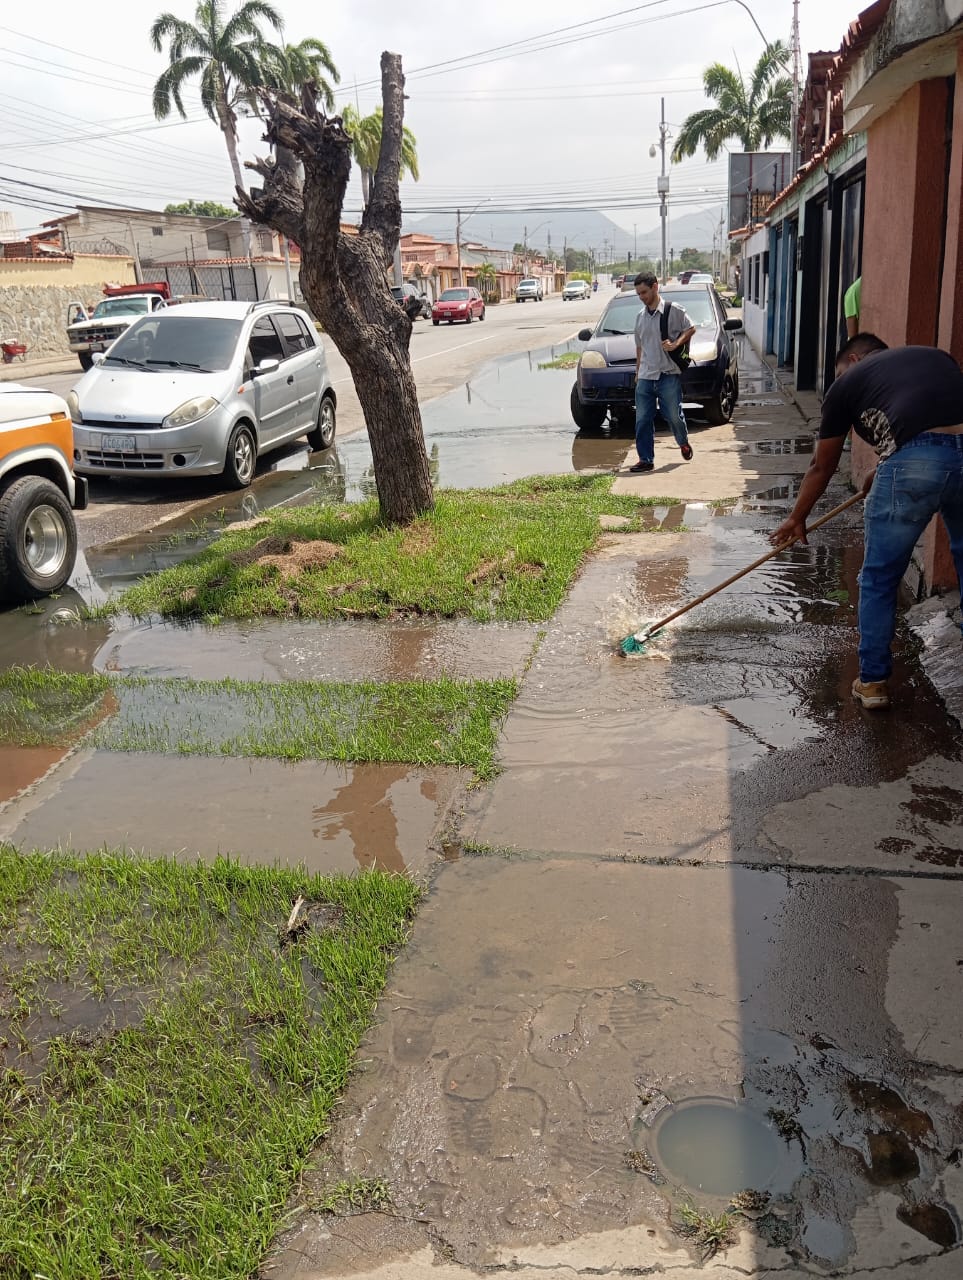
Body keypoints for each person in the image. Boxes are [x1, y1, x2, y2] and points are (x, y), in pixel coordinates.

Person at [771, 334, 963, 710]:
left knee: (878, 578)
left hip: (913, 464)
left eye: (840, 372)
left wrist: (797, 517)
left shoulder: (848, 382)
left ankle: (873, 682)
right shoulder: (934, 357)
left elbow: (822, 465)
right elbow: (929, 426)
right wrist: (884, 468)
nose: (840, 380)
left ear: (854, 359)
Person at [629, 272, 697, 473]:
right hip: (646, 376)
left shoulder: (673, 310)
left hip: (668, 374)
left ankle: (683, 442)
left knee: (673, 416)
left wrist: (676, 343)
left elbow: (691, 328)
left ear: (655, 287)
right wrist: (637, 370)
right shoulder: (640, 318)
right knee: (642, 419)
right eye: (639, 294)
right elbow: (639, 347)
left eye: (644, 292)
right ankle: (645, 459)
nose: (641, 297)